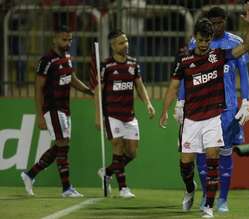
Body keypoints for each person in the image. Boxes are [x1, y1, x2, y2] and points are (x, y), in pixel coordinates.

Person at [159, 2, 249, 217]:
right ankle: (195, 191)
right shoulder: (187, 56)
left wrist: (246, 102)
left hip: (222, 111)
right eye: (201, 39)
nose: (204, 42)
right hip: (194, 115)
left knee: (218, 154)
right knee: (190, 161)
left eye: (207, 38)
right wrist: (176, 105)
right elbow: (177, 84)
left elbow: (246, 54)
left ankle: (216, 202)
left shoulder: (223, 52)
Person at [21, 25, 94, 197]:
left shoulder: (67, 56)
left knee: (62, 146)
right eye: (64, 39)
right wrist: (40, 116)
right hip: (53, 108)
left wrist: (88, 91)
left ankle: (30, 174)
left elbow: (72, 78)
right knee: (62, 145)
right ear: (54, 39)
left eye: (70, 39)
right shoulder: (46, 60)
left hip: (65, 108)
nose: (68, 43)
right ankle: (66, 188)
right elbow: (38, 89)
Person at [95, 30, 155, 198]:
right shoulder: (106, 65)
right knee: (118, 145)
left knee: (132, 153)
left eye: (126, 41)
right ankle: (123, 188)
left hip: (129, 115)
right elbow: (98, 90)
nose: (126, 45)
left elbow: (139, 85)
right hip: (112, 114)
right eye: (121, 42)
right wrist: (98, 115)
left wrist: (148, 103)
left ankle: (106, 172)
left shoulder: (133, 64)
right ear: (113, 46)